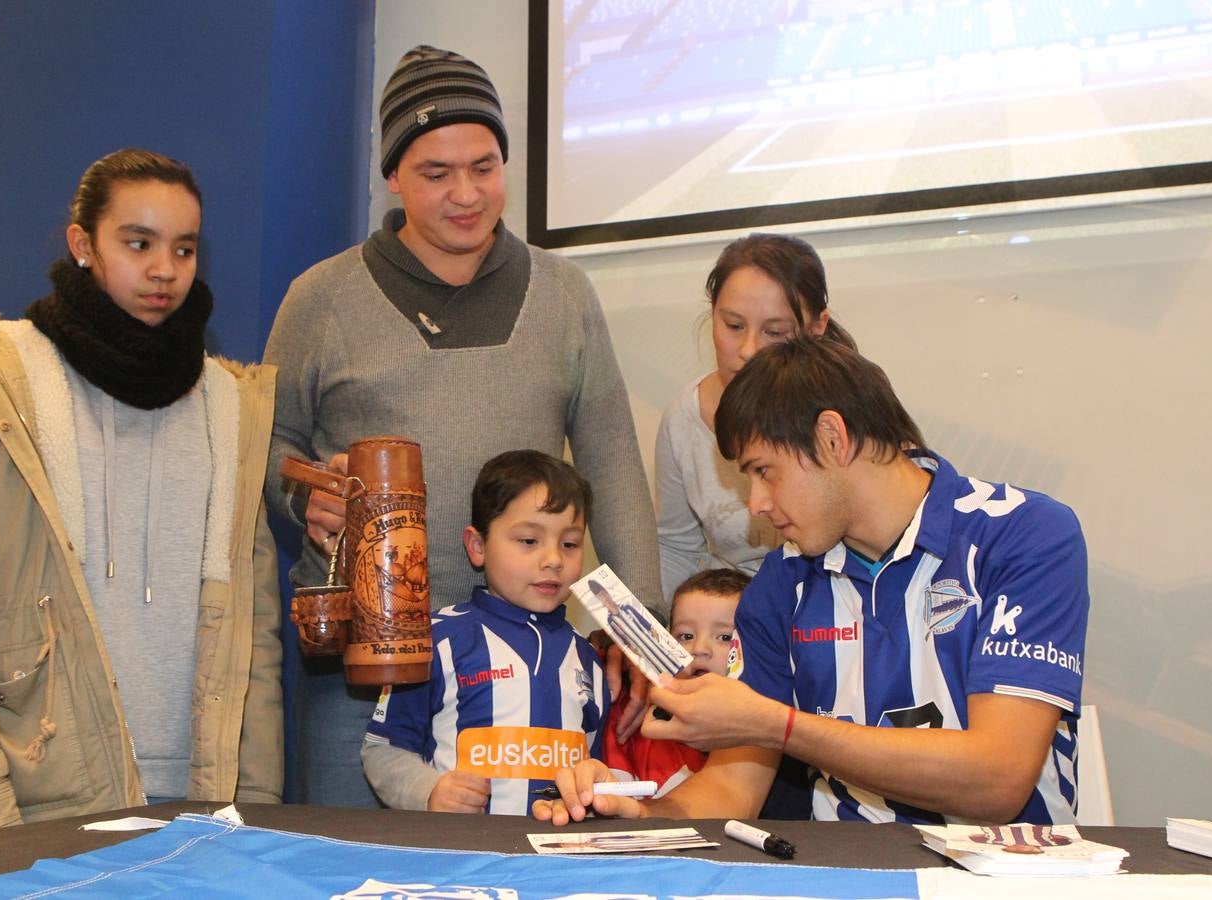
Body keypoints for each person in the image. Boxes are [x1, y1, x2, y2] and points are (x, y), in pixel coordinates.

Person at [264, 45, 660, 807]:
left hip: (529, 675)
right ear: (392, 178)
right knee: (354, 872)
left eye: (484, 166)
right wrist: (301, 499)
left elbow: (612, 466)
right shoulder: (320, 299)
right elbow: (266, 451)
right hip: (364, 673)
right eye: (436, 173)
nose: (467, 194)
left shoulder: (564, 294)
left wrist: (638, 637)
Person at [535, 336, 1090, 827]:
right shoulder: (784, 579)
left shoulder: (1025, 535)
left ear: (831, 437)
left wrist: (781, 726)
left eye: (762, 471)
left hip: (1012, 877)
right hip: (842, 877)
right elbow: (734, 787)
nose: (755, 505)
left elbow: (997, 779)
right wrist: (640, 813)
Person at [0, 149, 283, 840]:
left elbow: (252, 634)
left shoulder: (230, 404)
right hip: (25, 808)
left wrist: (252, 817)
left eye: (184, 247)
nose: (164, 268)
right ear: (83, 244)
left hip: (197, 813)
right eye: (137, 243)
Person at [362, 450, 609, 815]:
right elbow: (382, 749)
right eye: (529, 541)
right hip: (461, 860)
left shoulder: (589, 659)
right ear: (477, 546)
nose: (554, 559)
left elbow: (596, 768)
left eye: (570, 544)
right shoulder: (435, 640)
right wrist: (429, 792)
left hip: (559, 861)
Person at [656, 233, 854, 609]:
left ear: (817, 326)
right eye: (733, 325)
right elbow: (675, 547)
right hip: (733, 624)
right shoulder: (684, 419)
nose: (748, 351)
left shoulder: (849, 411)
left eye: (774, 333)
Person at [604, 569, 748, 797]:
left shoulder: (761, 741)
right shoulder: (635, 724)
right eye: (686, 636)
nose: (699, 649)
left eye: (725, 637)